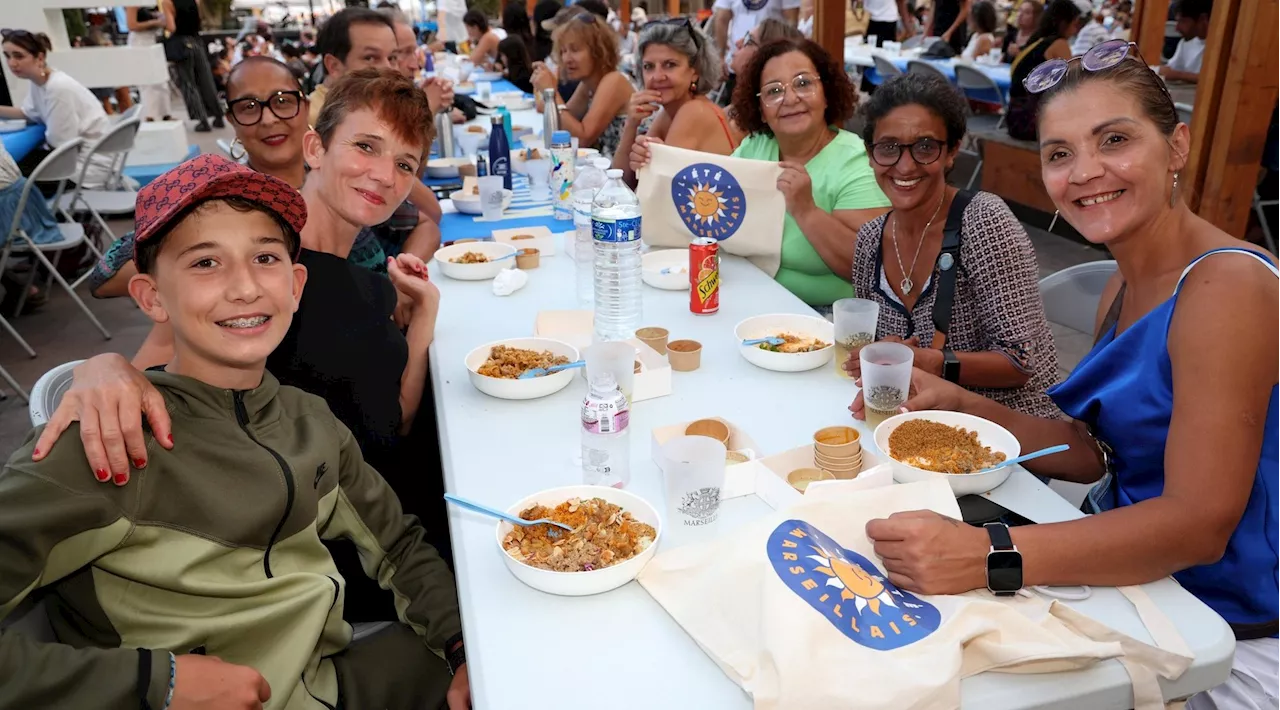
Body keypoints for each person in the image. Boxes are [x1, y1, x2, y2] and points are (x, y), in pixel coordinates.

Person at [851, 43, 1280, 709]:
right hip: (1123, 578)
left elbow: (1199, 526)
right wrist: (962, 402)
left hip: (1224, 635)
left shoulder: (1226, 288)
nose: (1085, 172)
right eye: (1059, 153)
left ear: (1177, 146)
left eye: (1115, 139)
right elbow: (1093, 453)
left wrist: (987, 554)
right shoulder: (1124, 284)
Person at [0, 154, 471, 710]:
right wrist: (159, 682)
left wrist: (461, 647)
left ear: (296, 285)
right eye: (205, 263)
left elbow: (398, 543)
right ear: (152, 297)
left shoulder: (308, 420)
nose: (245, 287)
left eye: (265, 257)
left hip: (324, 678)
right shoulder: (104, 441)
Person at [848, 73, 1060, 417]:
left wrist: (935, 362)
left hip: (1007, 436)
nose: (905, 165)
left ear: (952, 152)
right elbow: (888, 351)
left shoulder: (983, 222)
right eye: (888, 148)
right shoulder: (870, 241)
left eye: (925, 147)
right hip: (912, 424)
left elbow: (1022, 362)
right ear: (870, 155)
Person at [637, 38, 889, 309]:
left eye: (803, 83)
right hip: (746, 300)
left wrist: (807, 211)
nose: (790, 98)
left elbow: (869, 269)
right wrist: (659, 163)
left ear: (826, 93)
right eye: (773, 91)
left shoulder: (856, 162)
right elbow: (706, 206)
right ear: (761, 110)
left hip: (824, 318)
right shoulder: (756, 147)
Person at [614, 20, 736, 187]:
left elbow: (657, 191)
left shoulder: (693, 112)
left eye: (670, 65)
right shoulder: (669, 112)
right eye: (649, 66)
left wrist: (651, 164)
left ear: (696, 72)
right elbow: (620, 182)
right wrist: (631, 124)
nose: (657, 76)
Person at [0, 30, 118, 188]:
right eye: (7, 56)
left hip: (84, 168)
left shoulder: (57, 89)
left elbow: (60, 143)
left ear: (40, 58)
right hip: (79, 159)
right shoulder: (41, 82)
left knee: (7, 176)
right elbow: (28, 113)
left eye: (18, 56)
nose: (11, 63)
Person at [531, 11, 634, 158]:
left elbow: (582, 138)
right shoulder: (588, 85)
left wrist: (552, 93)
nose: (567, 58)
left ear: (598, 50)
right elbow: (564, 127)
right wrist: (549, 101)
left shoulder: (614, 81)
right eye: (563, 51)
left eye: (575, 50)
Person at [309, 7, 398, 126]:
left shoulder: (382, 106)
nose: (388, 68)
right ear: (334, 66)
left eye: (392, 58)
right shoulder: (308, 122)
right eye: (370, 58)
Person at [1006, 0, 1081, 140]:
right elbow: (1073, 81)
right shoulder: (1059, 43)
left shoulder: (1037, 41)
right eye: (1075, 24)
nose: (1076, 29)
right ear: (1064, 23)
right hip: (1031, 121)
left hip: (1014, 117)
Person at [712, 0, 801, 108]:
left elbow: (791, 20)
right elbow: (721, 18)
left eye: (746, 40)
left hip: (769, 49)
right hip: (741, 65)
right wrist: (721, 56)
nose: (737, 43)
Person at [724, 17, 803, 129]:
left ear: (764, 55)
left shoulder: (742, 128)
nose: (738, 43)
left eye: (748, 40)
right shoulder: (736, 111)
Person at [161, 0, 224, 132]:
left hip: (181, 44)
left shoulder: (167, 2)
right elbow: (199, 20)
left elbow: (171, 27)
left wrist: (162, 22)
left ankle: (202, 119)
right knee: (206, 80)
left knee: (188, 83)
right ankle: (218, 116)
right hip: (197, 41)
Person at [125, 5, 173, 122]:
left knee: (161, 80)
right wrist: (155, 22)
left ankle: (165, 112)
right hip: (140, 42)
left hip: (153, 40)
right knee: (147, 81)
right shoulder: (133, 4)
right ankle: (150, 114)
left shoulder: (153, 4)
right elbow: (132, 25)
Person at [1159, 0, 1211, 84]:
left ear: (1203, 19)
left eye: (1182, 21)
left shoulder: (1219, 48)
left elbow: (1212, 79)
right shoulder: (1185, 43)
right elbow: (1170, 70)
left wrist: (1180, 75)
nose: (1177, 28)